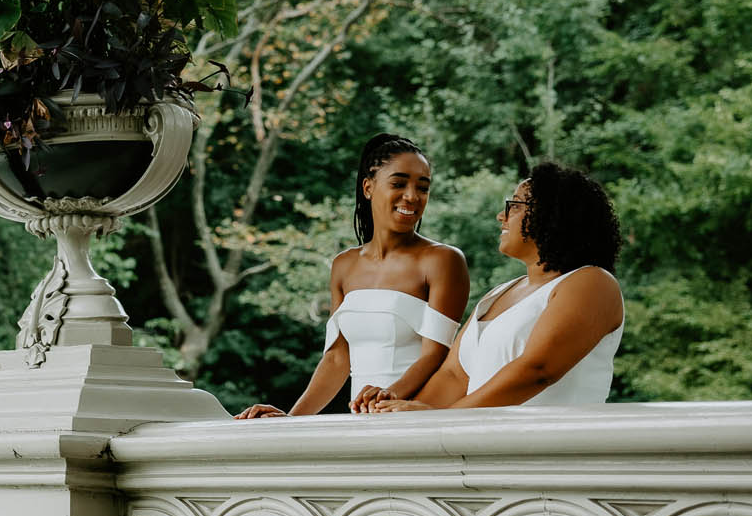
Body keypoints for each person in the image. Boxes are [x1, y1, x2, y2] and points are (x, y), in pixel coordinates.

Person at [237, 134, 468, 418]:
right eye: (398, 183)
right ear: (368, 188)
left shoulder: (443, 260)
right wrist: (290, 420)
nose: (412, 196)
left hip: (413, 415)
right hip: (361, 420)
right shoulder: (343, 265)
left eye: (423, 187)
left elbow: (436, 355)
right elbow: (336, 359)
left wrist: (389, 395)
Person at [365, 162, 623, 412]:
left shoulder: (592, 282)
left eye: (515, 205)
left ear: (555, 213)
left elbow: (538, 369)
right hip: (483, 449)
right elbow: (453, 375)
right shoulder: (498, 294)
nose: (502, 216)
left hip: (551, 450)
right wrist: (396, 409)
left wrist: (445, 420)